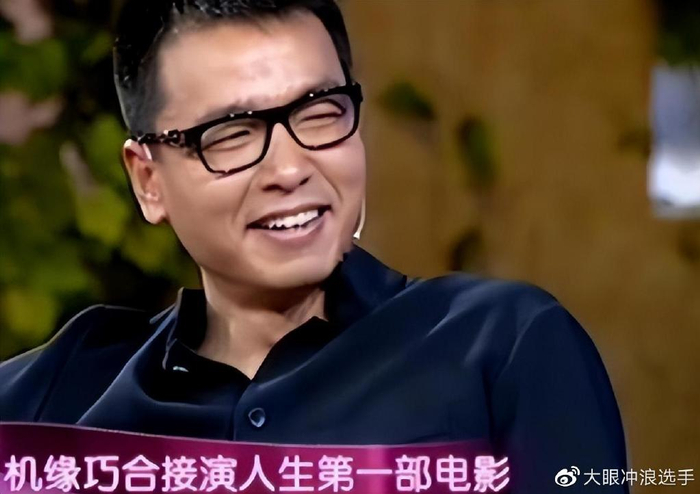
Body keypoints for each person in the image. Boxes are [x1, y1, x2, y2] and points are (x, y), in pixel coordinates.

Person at [0, 1, 629, 492]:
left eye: (320, 112)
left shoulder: (500, 344)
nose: (290, 168)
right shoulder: (55, 395)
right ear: (148, 181)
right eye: (232, 133)